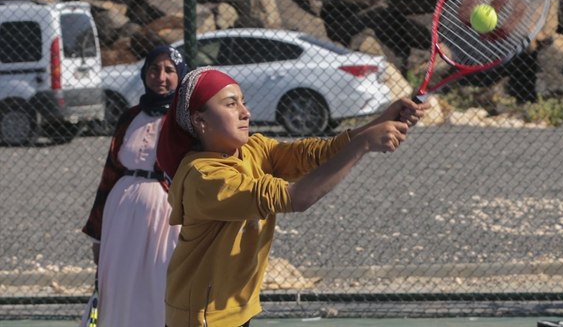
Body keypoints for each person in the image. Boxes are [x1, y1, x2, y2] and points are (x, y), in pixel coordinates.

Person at [156, 67, 428, 327]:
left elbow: (315, 154)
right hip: (203, 314)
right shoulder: (204, 177)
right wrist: (364, 143)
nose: (245, 112)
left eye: (243, 102)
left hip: (236, 306)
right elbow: (296, 197)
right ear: (200, 120)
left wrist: (381, 121)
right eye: (230, 104)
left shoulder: (253, 149)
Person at [80, 45, 188, 327]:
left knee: (159, 280)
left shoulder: (186, 121)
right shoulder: (130, 116)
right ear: (144, 73)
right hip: (121, 217)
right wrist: (98, 236)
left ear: (181, 75)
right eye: (154, 69)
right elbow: (109, 175)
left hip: (167, 217)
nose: (160, 77)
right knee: (119, 281)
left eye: (169, 70)